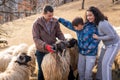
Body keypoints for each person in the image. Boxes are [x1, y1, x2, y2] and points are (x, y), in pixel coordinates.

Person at [32, 5, 65, 80]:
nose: (51, 18)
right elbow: (35, 38)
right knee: (42, 70)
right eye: (49, 16)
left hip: (53, 49)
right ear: (43, 14)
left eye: (52, 15)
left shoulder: (55, 22)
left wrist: (63, 41)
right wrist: (45, 46)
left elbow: (59, 33)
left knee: (55, 69)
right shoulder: (36, 24)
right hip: (42, 51)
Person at [86, 6, 120, 80]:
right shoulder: (95, 23)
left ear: (95, 14)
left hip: (113, 44)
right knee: (101, 62)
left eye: (90, 15)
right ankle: (99, 78)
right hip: (106, 45)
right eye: (87, 15)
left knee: (106, 64)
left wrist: (98, 38)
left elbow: (112, 35)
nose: (88, 17)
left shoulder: (102, 24)